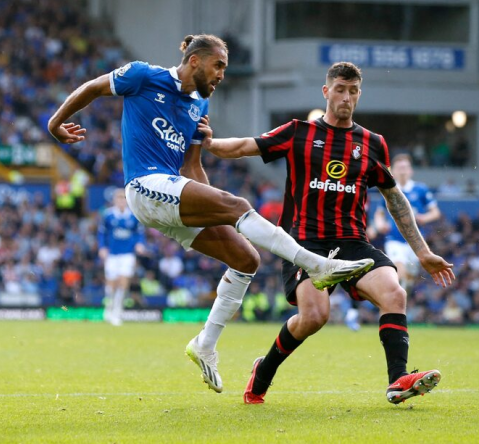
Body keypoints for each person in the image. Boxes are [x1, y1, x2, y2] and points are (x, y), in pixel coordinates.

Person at [47, 35, 375, 394]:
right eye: (218, 66)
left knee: (245, 258)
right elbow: (93, 88)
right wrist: (55, 124)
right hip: (143, 186)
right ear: (194, 62)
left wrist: (218, 208)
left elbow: (192, 171)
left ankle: (204, 344)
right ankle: (317, 265)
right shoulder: (142, 75)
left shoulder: (199, 106)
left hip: (171, 192)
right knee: (237, 205)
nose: (221, 75)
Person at [199, 61, 455, 405]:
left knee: (395, 294)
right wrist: (212, 144)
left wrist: (422, 252)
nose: (346, 97)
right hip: (303, 244)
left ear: (359, 95)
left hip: (353, 244)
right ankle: (263, 373)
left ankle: (398, 381)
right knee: (315, 316)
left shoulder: (373, 144)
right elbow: (248, 145)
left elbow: (396, 200)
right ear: (326, 91)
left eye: (352, 91)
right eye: (339, 89)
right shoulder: (298, 132)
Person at [373, 154, 441, 290]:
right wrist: (379, 224)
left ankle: (403, 296)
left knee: (409, 279)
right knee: (399, 271)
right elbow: (379, 213)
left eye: (405, 167)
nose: (403, 170)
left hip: (415, 241)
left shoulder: (420, 189)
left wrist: (424, 218)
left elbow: (435, 212)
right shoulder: (388, 190)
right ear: (393, 171)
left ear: (411, 171)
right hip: (394, 239)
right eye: (399, 167)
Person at [97, 188, 146, 326]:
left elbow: (139, 234)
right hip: (112, 254)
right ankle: (109, 306)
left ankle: (117, 312)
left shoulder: (133, 216)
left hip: (127, 254)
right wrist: (102, 248)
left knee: (123, 281)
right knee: (111, 282)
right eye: (119, 198)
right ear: (114, 200)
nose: (121, 201)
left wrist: (140, 244)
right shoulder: (108, 215)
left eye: (124, 198)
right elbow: (101, 233)